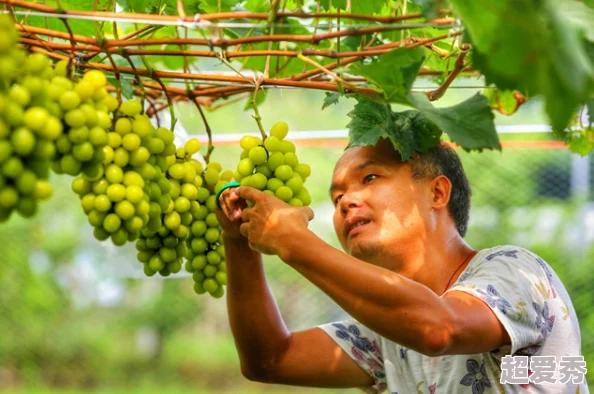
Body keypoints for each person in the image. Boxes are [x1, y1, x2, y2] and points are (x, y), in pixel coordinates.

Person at [215, 138, 588, 394]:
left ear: (437, 192)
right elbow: (270, 360)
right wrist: (239, 242)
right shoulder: (388, 334)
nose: (346, 201)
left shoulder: (516, 271)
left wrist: (294, 243)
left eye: (370, 178)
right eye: (338, 195)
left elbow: (439, 329)